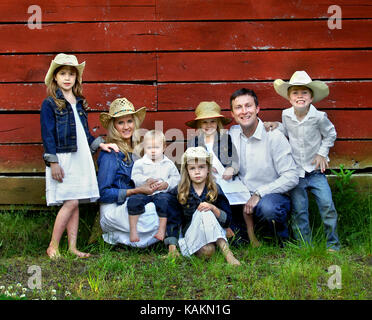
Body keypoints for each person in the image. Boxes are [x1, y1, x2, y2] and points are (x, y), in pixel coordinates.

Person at [40, 53, 118, 259]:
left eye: (71, 74)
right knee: (70, 201)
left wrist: (101, 144)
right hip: (64, 157)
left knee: (75, 202)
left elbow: (85, 133)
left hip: (80, 156)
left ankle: (72, 248)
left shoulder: (80, 102)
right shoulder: (50, 103)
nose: (67, 78)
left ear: (77, 78)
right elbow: (48, 135)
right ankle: (53, 246)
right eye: (63, 74)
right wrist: (53, 161)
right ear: (55, 77)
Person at [265, 70, 340, 251]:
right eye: (295, 93)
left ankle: (333, 244)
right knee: (300, 211)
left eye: (304, 92)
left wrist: (322, 153)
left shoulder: (319, 117)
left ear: (311, 97)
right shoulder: (286, 115)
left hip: (315, 171)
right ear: (289, 98)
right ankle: (304, 245)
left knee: (327, 206)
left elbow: (330, 134)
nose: (300, 96)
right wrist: (277, 127)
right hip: (297, 173)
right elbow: (289, 133)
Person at [228, 88, 299, 247]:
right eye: (238, 107)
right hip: (241, 196)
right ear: (232, 114)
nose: (244, 111)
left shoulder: (274, 136)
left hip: (271, 195)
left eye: (249, 106)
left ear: (257, 109)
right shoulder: (232, 134)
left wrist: (260, 193)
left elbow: (292, 176)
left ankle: (279, 240)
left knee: (269, 209)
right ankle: (248, 235)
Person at [97, 97, 171, 249]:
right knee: (153, 214)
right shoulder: (111, 153)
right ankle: (123, 236)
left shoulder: (138, 149)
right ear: (113, 126)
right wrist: (137, 190)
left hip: (134, 203)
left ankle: (120, 239)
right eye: (120, 122)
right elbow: (103, 193)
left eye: (129, 121)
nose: (126, 127)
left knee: (165, 206)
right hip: (113, 210)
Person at [165, 147, 241, 265]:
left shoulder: (215, 189)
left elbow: (227, 220)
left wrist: (213, 208)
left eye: (201, 167)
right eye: (192, 168)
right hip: (192, 234)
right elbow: (173, 220)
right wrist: (172, 247)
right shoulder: (180, 191)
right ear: (187, 171)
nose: (197, 172)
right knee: (207, 250)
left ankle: (228, 254)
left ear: (208, 170)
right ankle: (223, 251)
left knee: (206, 210)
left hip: (214, 232)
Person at [127, 130, 180, 242]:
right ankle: (133, 230)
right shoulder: (140, 163)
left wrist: (167, 184)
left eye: (157, 147)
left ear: (164, 147)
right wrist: (145, 181)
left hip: (162, 192)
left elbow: (176, 178)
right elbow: (135, 177)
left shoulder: (168, 163)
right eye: (149, 148)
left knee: (164, 201)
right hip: (144, 192)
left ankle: (161, 229)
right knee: (133, 201)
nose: (153, 151)